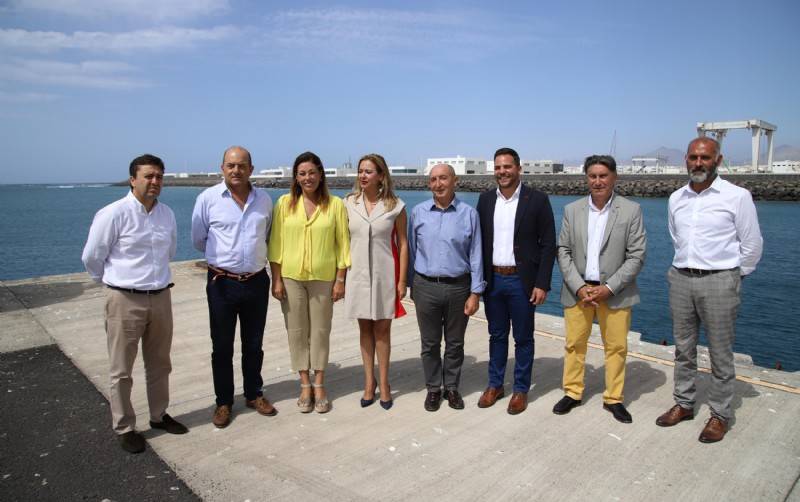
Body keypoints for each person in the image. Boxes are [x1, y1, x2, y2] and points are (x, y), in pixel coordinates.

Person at [656, 137, 762, 442]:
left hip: (720, 280)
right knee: (683, 348)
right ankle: (684, 403)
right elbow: (677, 238)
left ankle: (719, 414)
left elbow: (752, 245)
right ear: (686, 160)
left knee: (720, 352)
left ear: (717, 160)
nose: (698, 163)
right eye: (693, 157)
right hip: (681, 278)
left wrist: (733, 276)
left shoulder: (737, 197)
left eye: (705, 158)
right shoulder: (677, 198)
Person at [82, 153, 188, 454]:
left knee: (160, 363)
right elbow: (92, 257)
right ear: (133, 179)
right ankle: (125, 426)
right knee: (121, 369)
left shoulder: (166, 213)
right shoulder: (113, 213)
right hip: (124, 299)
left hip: (160, 296)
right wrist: (115, 284)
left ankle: (158, 415)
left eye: (159, 176)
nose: (155, 182)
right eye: (148, 176)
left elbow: (170, 251)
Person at [552, 155, 646, 423]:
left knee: (616, 347)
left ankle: (613, 398)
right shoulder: (573, 210)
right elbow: (564, 251)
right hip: (578, 291)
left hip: (614, 293)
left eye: (603, 175)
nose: (598, 181)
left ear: (614, 177)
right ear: (586, 178)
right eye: (592, 176)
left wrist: (610, 287)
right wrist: (579, 286)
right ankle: (572, 392)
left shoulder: (631, 210)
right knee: (574, 345)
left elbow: (637, 256)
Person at [191, 146, 276, 428]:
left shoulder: (264, 200)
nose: (236, 170)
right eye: (230, 165)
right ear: (222, 168)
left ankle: (254, 394)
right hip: (221, 283)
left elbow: (266, 235)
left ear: (251, 169)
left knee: (254, 344)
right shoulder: (208, 199)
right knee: (222, 346)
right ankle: (224, 402)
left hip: (255, 282)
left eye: (241, 166)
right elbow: (199, 238)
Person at [475, 147, 556, 415]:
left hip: (522, 281)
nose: (502, 172)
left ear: (519, 168)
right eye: (498, 167)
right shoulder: (486, 200)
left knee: (523, 338)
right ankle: (495, 384)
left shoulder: (537, 200)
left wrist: (542, 283)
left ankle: (520, 389)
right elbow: (479, 244)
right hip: (494, 280)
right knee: (496, 335)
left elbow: (548, 244)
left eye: (507, 167)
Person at [268, 151, 350, 414]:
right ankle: (304, 384)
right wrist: (276, 279)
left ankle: (320, 384)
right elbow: (276, 244)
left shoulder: (335, 204)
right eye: (302, 173)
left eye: (312, 172)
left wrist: (340, 280)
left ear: (320, 174)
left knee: (320, 332)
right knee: (296, 332)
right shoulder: (283, 203)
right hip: (291, 277)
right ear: (296, 177)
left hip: (324, 278)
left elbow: (343, 245)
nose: (307, 178)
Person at [407, 163, 484, 411]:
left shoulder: (469, 214)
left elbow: (476, 255)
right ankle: (433, 389)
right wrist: (412, 286)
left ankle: (451, 387)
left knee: (455, 343)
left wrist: (475, 292)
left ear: (455, 181)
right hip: (425, 286)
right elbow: (411, 249)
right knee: (429, 344)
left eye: (443, 178)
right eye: (433, 180)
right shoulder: (418, 213)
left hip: (458, 288)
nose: (438, 184)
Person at [344, 154, 408, 411]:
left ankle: (385, 383)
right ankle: (369, 384)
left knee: (382, 331)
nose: (363, 175)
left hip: (385, 276)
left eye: (369, 171)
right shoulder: (348, 203)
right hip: (357, 276)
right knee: (364, 331)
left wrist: (402, 280)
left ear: (381, 176)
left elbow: (403, 244)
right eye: (361, 171)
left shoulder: (396, 205)